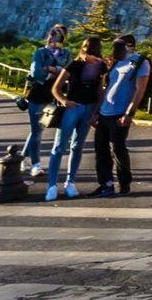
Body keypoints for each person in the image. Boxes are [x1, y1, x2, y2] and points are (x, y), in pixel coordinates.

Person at [44, 36, 105, 201]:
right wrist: (64, 101)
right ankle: (51, 185)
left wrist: (96, 111)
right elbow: (56, 87)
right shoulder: (75, 64)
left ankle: (69, 182)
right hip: (74, 107)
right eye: (89, 47)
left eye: (95, 48)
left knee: (77, 146)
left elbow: (100, 89)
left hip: (89, 107)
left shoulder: (100, 66)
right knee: (59, 147)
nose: (92, 51)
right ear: (83, 48)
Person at [91, 33, 150, 197]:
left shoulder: (139, 62)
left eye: (119, 45)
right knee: (100, 149)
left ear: (129, 46)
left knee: (118, 148)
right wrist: (96, 112)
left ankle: (124, 183)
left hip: (120, 112)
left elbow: (140, 90)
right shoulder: (116, 63)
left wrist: (129, 112)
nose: (115, 49)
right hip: (105, 111)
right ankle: (105, 183)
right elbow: (107, 87)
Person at [22, 24, 70, 180]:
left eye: (60, 36)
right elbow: (36, 72)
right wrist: (54, 73)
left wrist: (52, 69)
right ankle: (35, 165)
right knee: (37, 131)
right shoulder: (40, 53)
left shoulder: (66, 54)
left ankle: (22, 158)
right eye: (55, 35)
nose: (56, 39)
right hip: (37, 95)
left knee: (39, 129)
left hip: (53, 96)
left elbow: (67, 72)